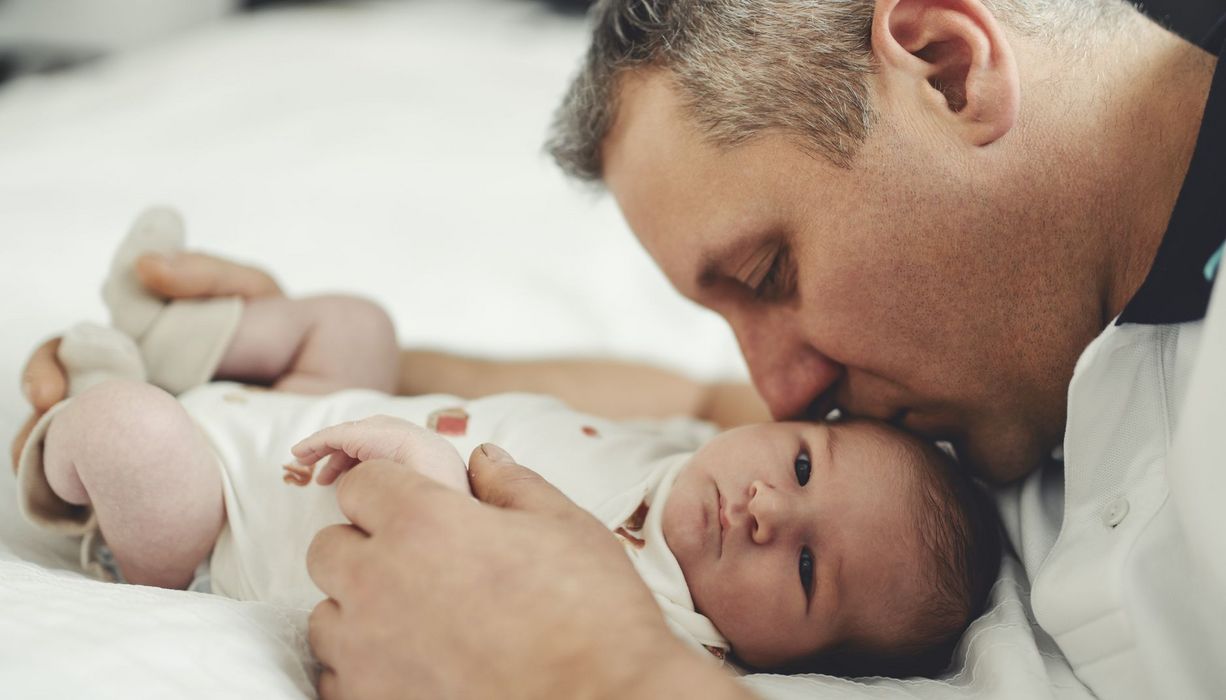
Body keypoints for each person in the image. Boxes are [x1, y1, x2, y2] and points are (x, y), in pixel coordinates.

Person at [15, 0, 1225, 697]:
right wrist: (297, 373)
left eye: (770, 271)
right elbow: (686, 397)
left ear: (947, 69)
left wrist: (589, 669)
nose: (780, 388)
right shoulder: (1013, 345)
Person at [14, 212, 1000, 678]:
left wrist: (422, 468)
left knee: (133, 435)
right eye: (800, 465)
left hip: (220, 522)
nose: (765, 510)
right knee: (359, 323)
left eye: (806, 569)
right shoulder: (695, 435)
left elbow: (453, 552)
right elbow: (689, 391)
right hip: (315, 414)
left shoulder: (662, 624)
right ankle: (171, 340)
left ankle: (101, 437)